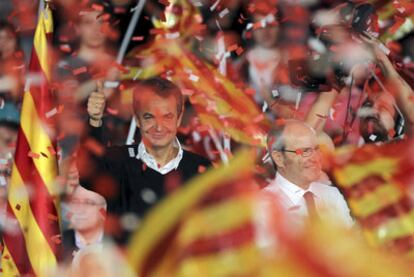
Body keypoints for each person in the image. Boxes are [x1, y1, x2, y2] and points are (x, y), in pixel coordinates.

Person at [82, 77, 211, 243]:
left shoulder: (202, 170)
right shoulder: (118, 162)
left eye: (167, 117)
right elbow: (88, 171)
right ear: (137, 119)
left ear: (179, 118)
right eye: (149, 117)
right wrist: (94, 121)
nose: (158, 126)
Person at [264, 120, 353, 227]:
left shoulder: (331, 195)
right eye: (305, 151)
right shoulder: (262, 208)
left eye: (316, 149)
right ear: (279, 158)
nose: (315, 158)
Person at [62, 185, 106, 260]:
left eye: (88, 203)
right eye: (75, 202)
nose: (80, 209)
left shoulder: (119, 245)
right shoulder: (57, 244)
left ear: (103, 211)